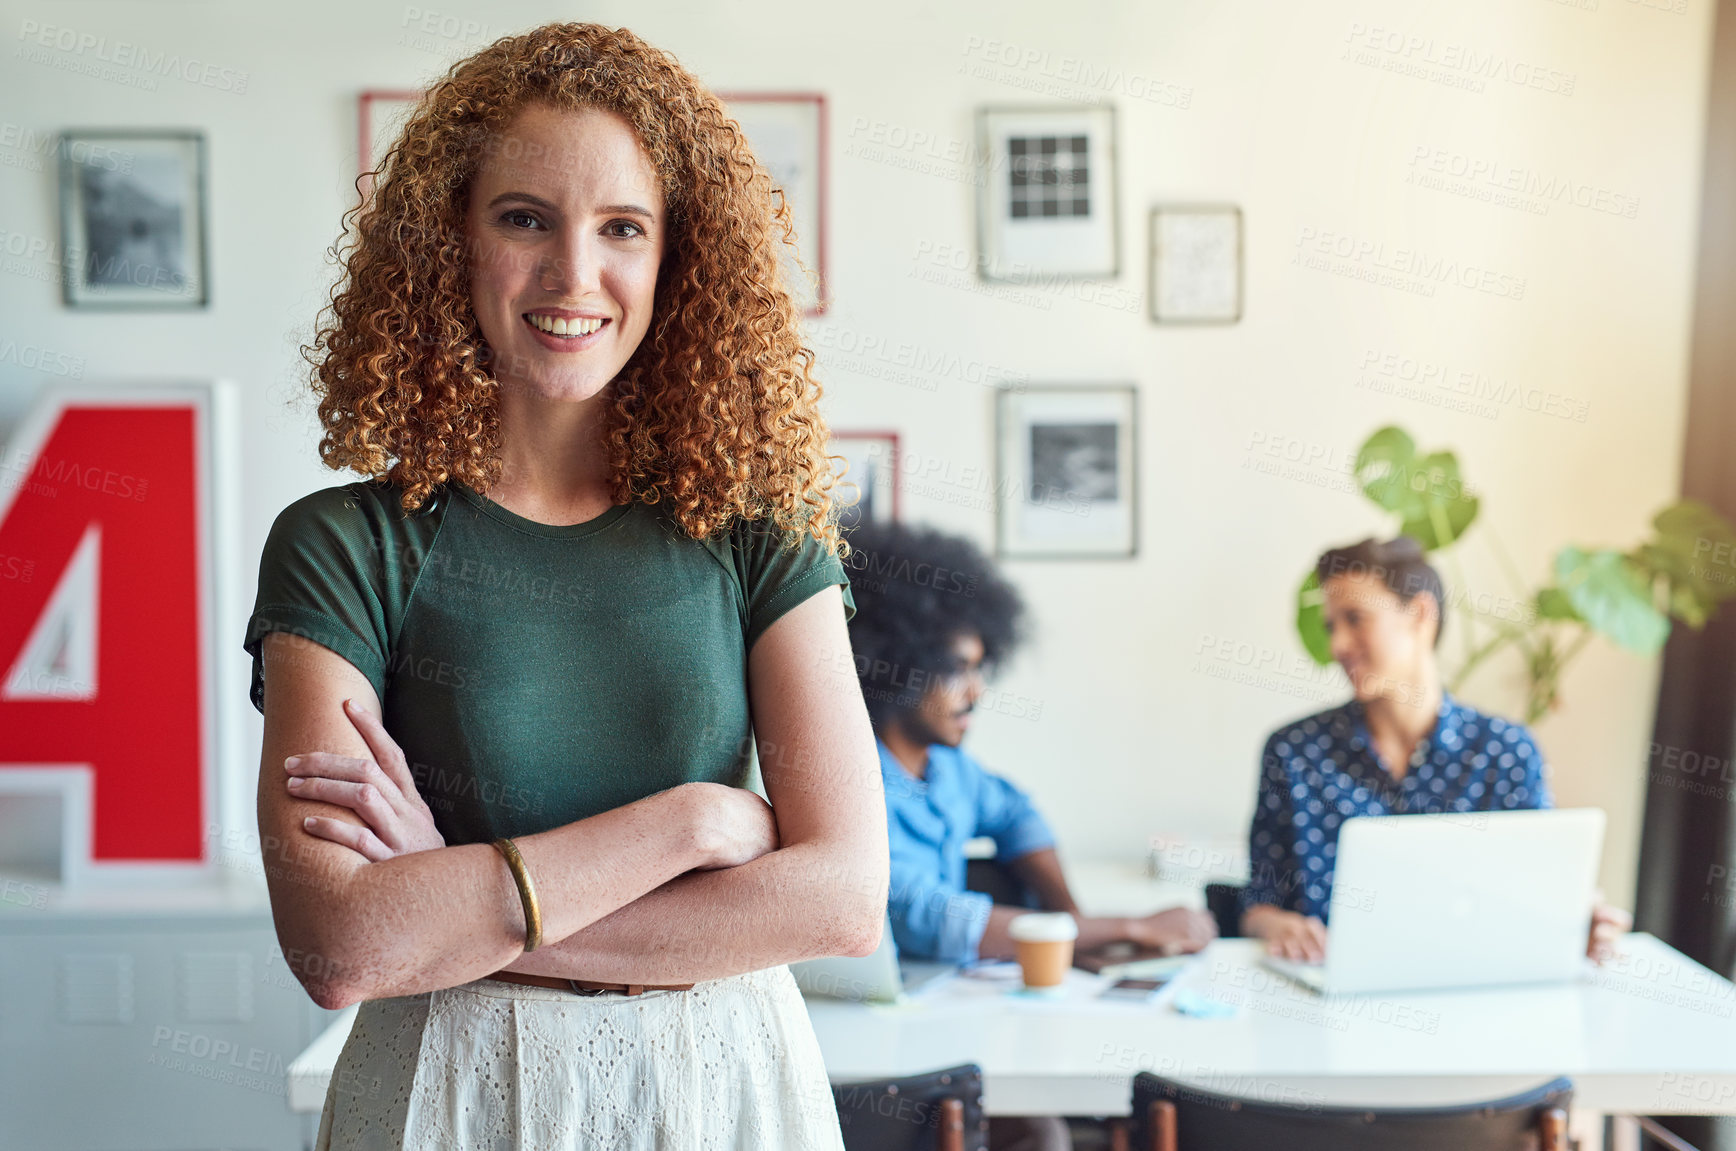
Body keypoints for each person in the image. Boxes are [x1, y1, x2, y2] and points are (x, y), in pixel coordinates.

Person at [243, 24, 887, 1150]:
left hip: (717, 1086)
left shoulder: (758, 535)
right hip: (449, 1085)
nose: (572, 273)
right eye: (523, 217)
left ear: (675, 261)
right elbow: (342, 946)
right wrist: (691, 821)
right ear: (451, 242)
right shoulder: (342, 546)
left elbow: (838, 899)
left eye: (621, 228)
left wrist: (453, 903)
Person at [843, 521, 1216, 1151]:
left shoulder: (952, 768)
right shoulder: (851, 778)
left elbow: (1020, 816)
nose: (977, 692)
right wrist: (1124, 928)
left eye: (981, 669)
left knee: (1044, 1126)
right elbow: (929, 916)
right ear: (900, 668)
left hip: (947, 1021)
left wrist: (1068, 914)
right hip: (869, 1048)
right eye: (957, 671)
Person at [1240, 535, 1630, 963]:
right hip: (1323, 990)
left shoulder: (1506, 752)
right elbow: (1258, 901)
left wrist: (1578, 921)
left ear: (1420, 615)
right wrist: (1277, 926)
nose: (1337, 646)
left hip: (1468, 991)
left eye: (1355, 619)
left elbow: (1536, 894)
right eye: (1332, 625)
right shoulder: (1294, 752)